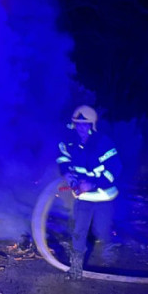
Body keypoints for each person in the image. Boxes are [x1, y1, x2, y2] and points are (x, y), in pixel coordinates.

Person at [56, 105, 121, 280]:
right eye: (77, 124)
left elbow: (115, 168)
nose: (81, 128)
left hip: (104, 195)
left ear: (92, 125)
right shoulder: (70, 141)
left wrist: (92, 183)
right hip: (83, 197)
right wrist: (67, 174)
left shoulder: (103, 142)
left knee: (101, 230)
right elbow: (62, 158)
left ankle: (107, 246)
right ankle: (75, 268)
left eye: (85, 125)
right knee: (79, 230)